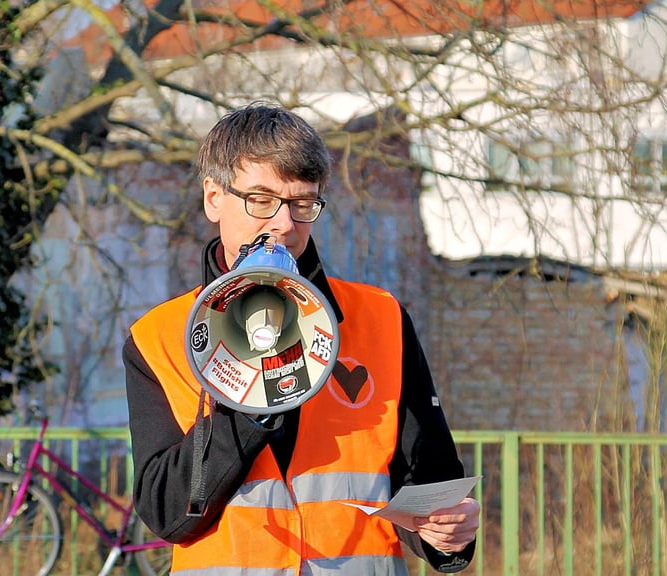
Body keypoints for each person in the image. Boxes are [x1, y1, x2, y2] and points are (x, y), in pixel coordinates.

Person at [124, 103, 480, 575]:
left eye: (302, 204)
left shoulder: (382, 318)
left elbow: (429, 481)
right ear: (214, 198)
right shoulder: (157, 337)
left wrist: (447, 535)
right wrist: (254, 394)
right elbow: (169, 513)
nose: (284, 225)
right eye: (261, 200)